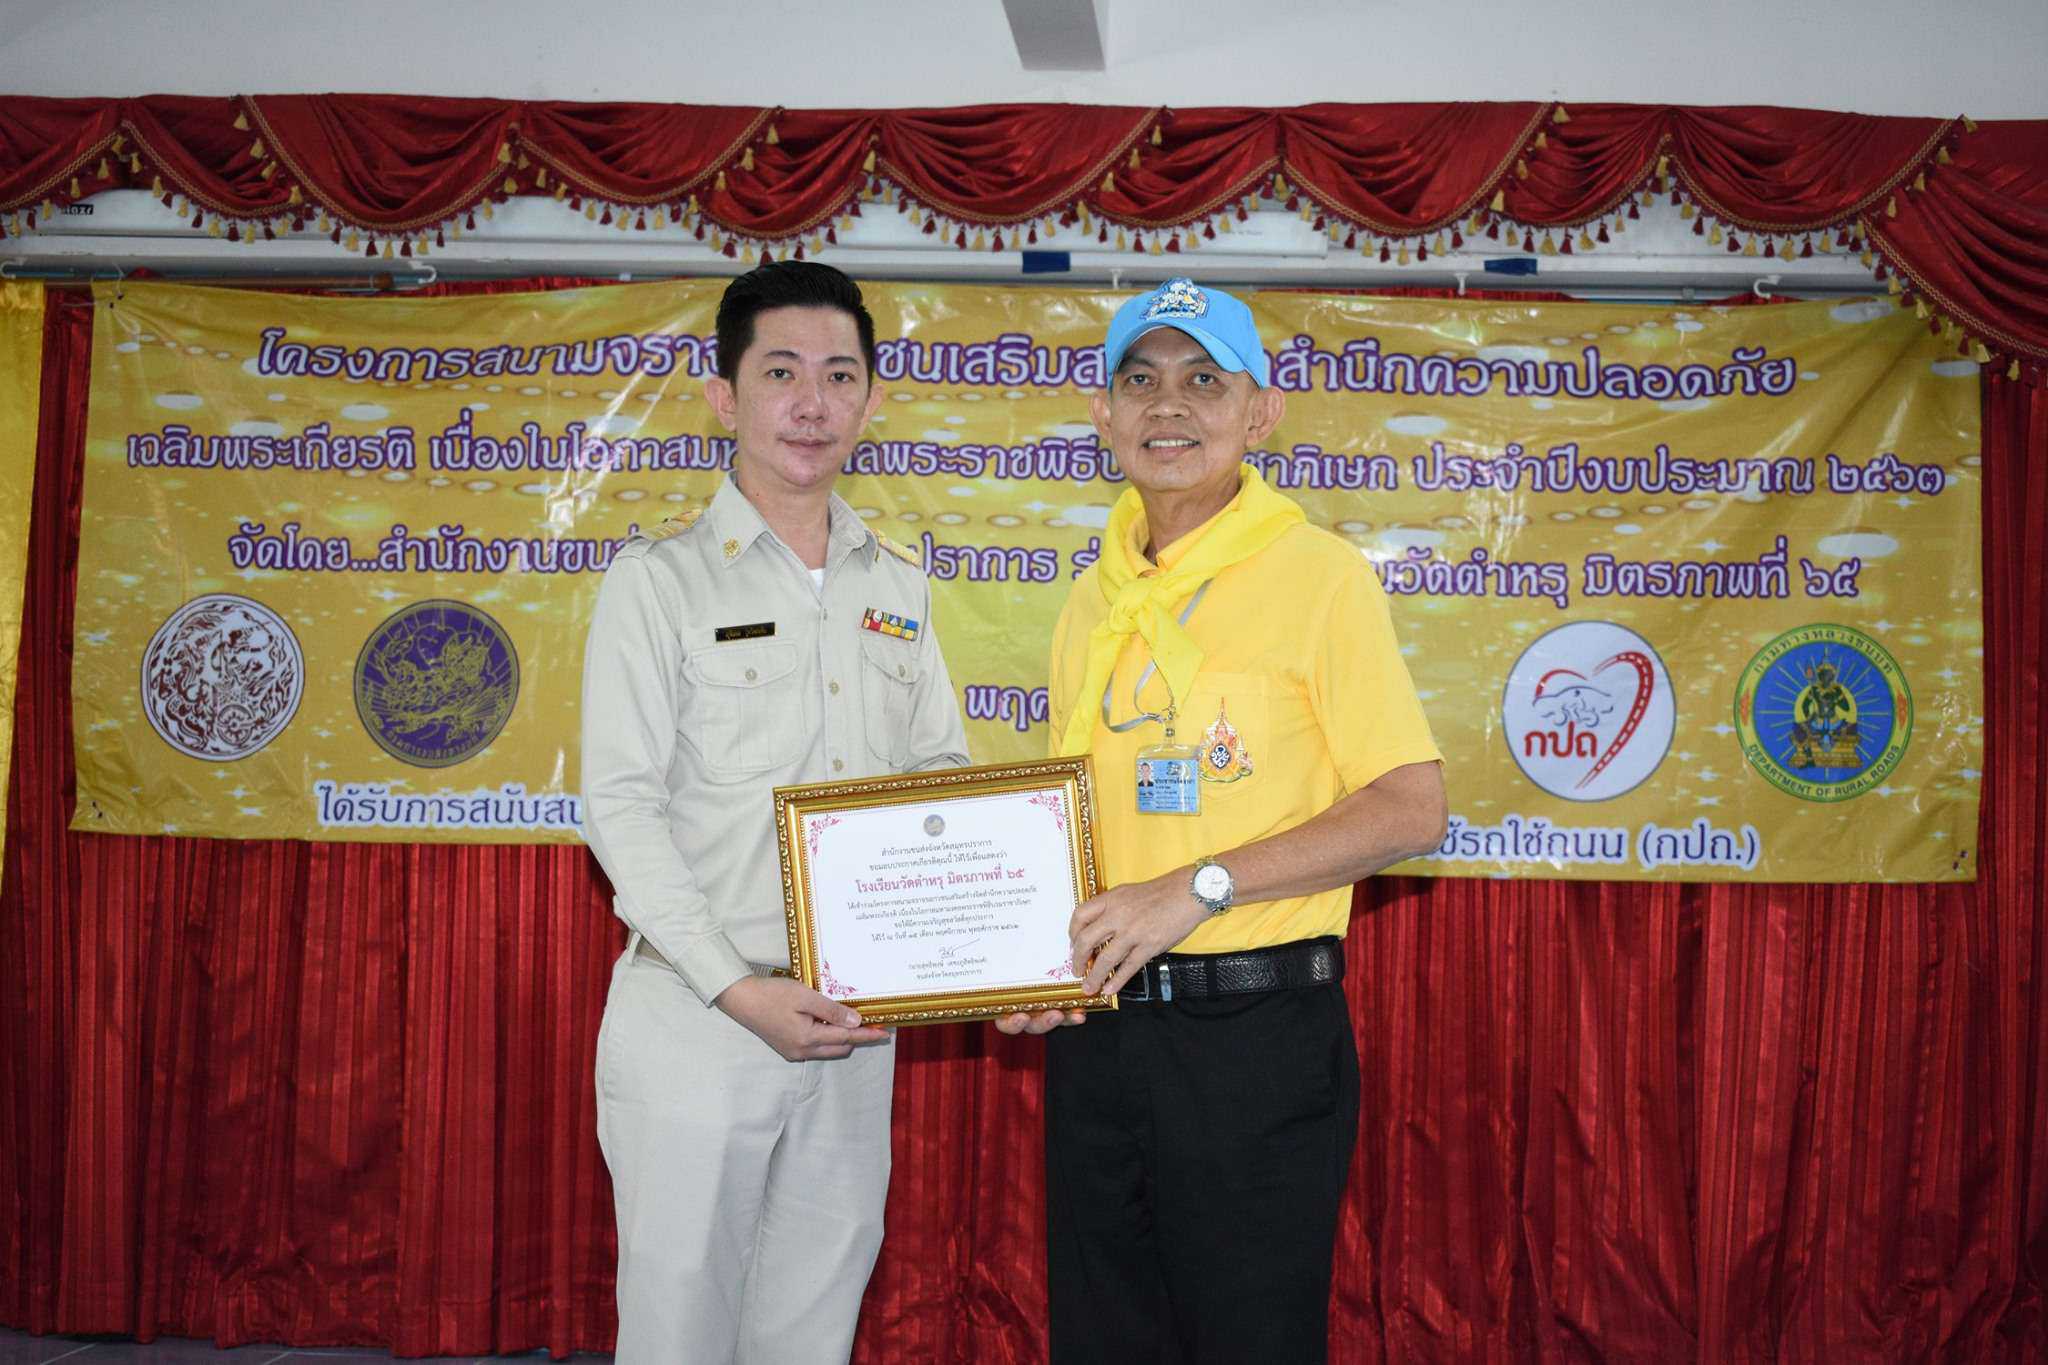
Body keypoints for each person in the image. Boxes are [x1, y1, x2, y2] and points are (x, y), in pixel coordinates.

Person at [999, 277, 1448, 1363]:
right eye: (1141, 380)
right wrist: (1029, 964)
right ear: (1102, 415)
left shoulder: (1320, 576)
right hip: (1101, 1036)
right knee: (1102, 1341)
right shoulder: (1094, 596)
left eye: (1205, 380)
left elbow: (1411, 806)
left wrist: (1196, 887)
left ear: (1261, 413)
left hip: (1254, 1037)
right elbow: (1079, 828)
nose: (1169, 405)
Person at [580, 261, 969, 1365]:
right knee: (678, 1336)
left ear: (870, 401)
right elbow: (619, 806)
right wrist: (735, 985)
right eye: (782, 372)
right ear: (725, 396)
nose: (812, 402)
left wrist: (972, 946)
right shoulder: (659, 582)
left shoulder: (898, 586)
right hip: (701, 1015)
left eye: (839, 376)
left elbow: (940, 779)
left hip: (853, 1025)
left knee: (811, 1330)